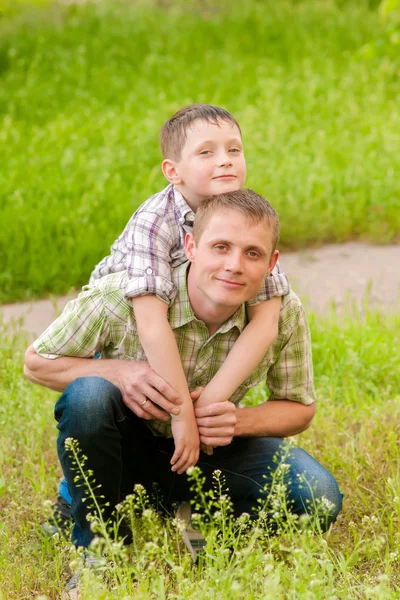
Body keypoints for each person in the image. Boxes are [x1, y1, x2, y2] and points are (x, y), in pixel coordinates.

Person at [24, 189, 343, 555]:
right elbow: (36, 363)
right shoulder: (121, 298)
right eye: (220, 247)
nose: (234, 265)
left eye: (252, 253)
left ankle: (206, 520)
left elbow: (299, 408)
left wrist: (237, 422)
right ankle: (100, 546)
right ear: (191, 246)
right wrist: (121, 373)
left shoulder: (281, 314)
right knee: (89, 396)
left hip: (211, 454)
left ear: (272, 263)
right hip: (127, 448)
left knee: (319, 495)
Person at [88, 104, 290, 470]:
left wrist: (209, 403)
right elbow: (149, 323)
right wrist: (182, 416)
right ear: (172, 172)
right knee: (100, 414)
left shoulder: (246, 218)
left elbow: (265, 321)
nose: (225, 160)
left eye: (234, 149)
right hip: (127, 335)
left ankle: (181, 492)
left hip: (188, 338)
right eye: (206, 152)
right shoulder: (154, 221)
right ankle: (72, 497)